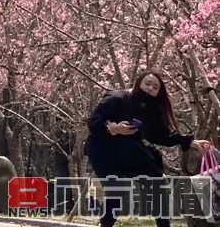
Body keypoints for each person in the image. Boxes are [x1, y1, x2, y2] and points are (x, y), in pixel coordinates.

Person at [85, 70, 212, 227]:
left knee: (157, 181)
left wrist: (189, 142)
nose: (150, 88)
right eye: (147, 83)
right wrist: (113, 128)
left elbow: (160, 135)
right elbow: (93, 122)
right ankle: (106, 224)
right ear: (139, 83)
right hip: (103, 150)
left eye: (155, 87)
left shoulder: (150, 110)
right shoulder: (117, 98)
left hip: (130, 150)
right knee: (118, 192)